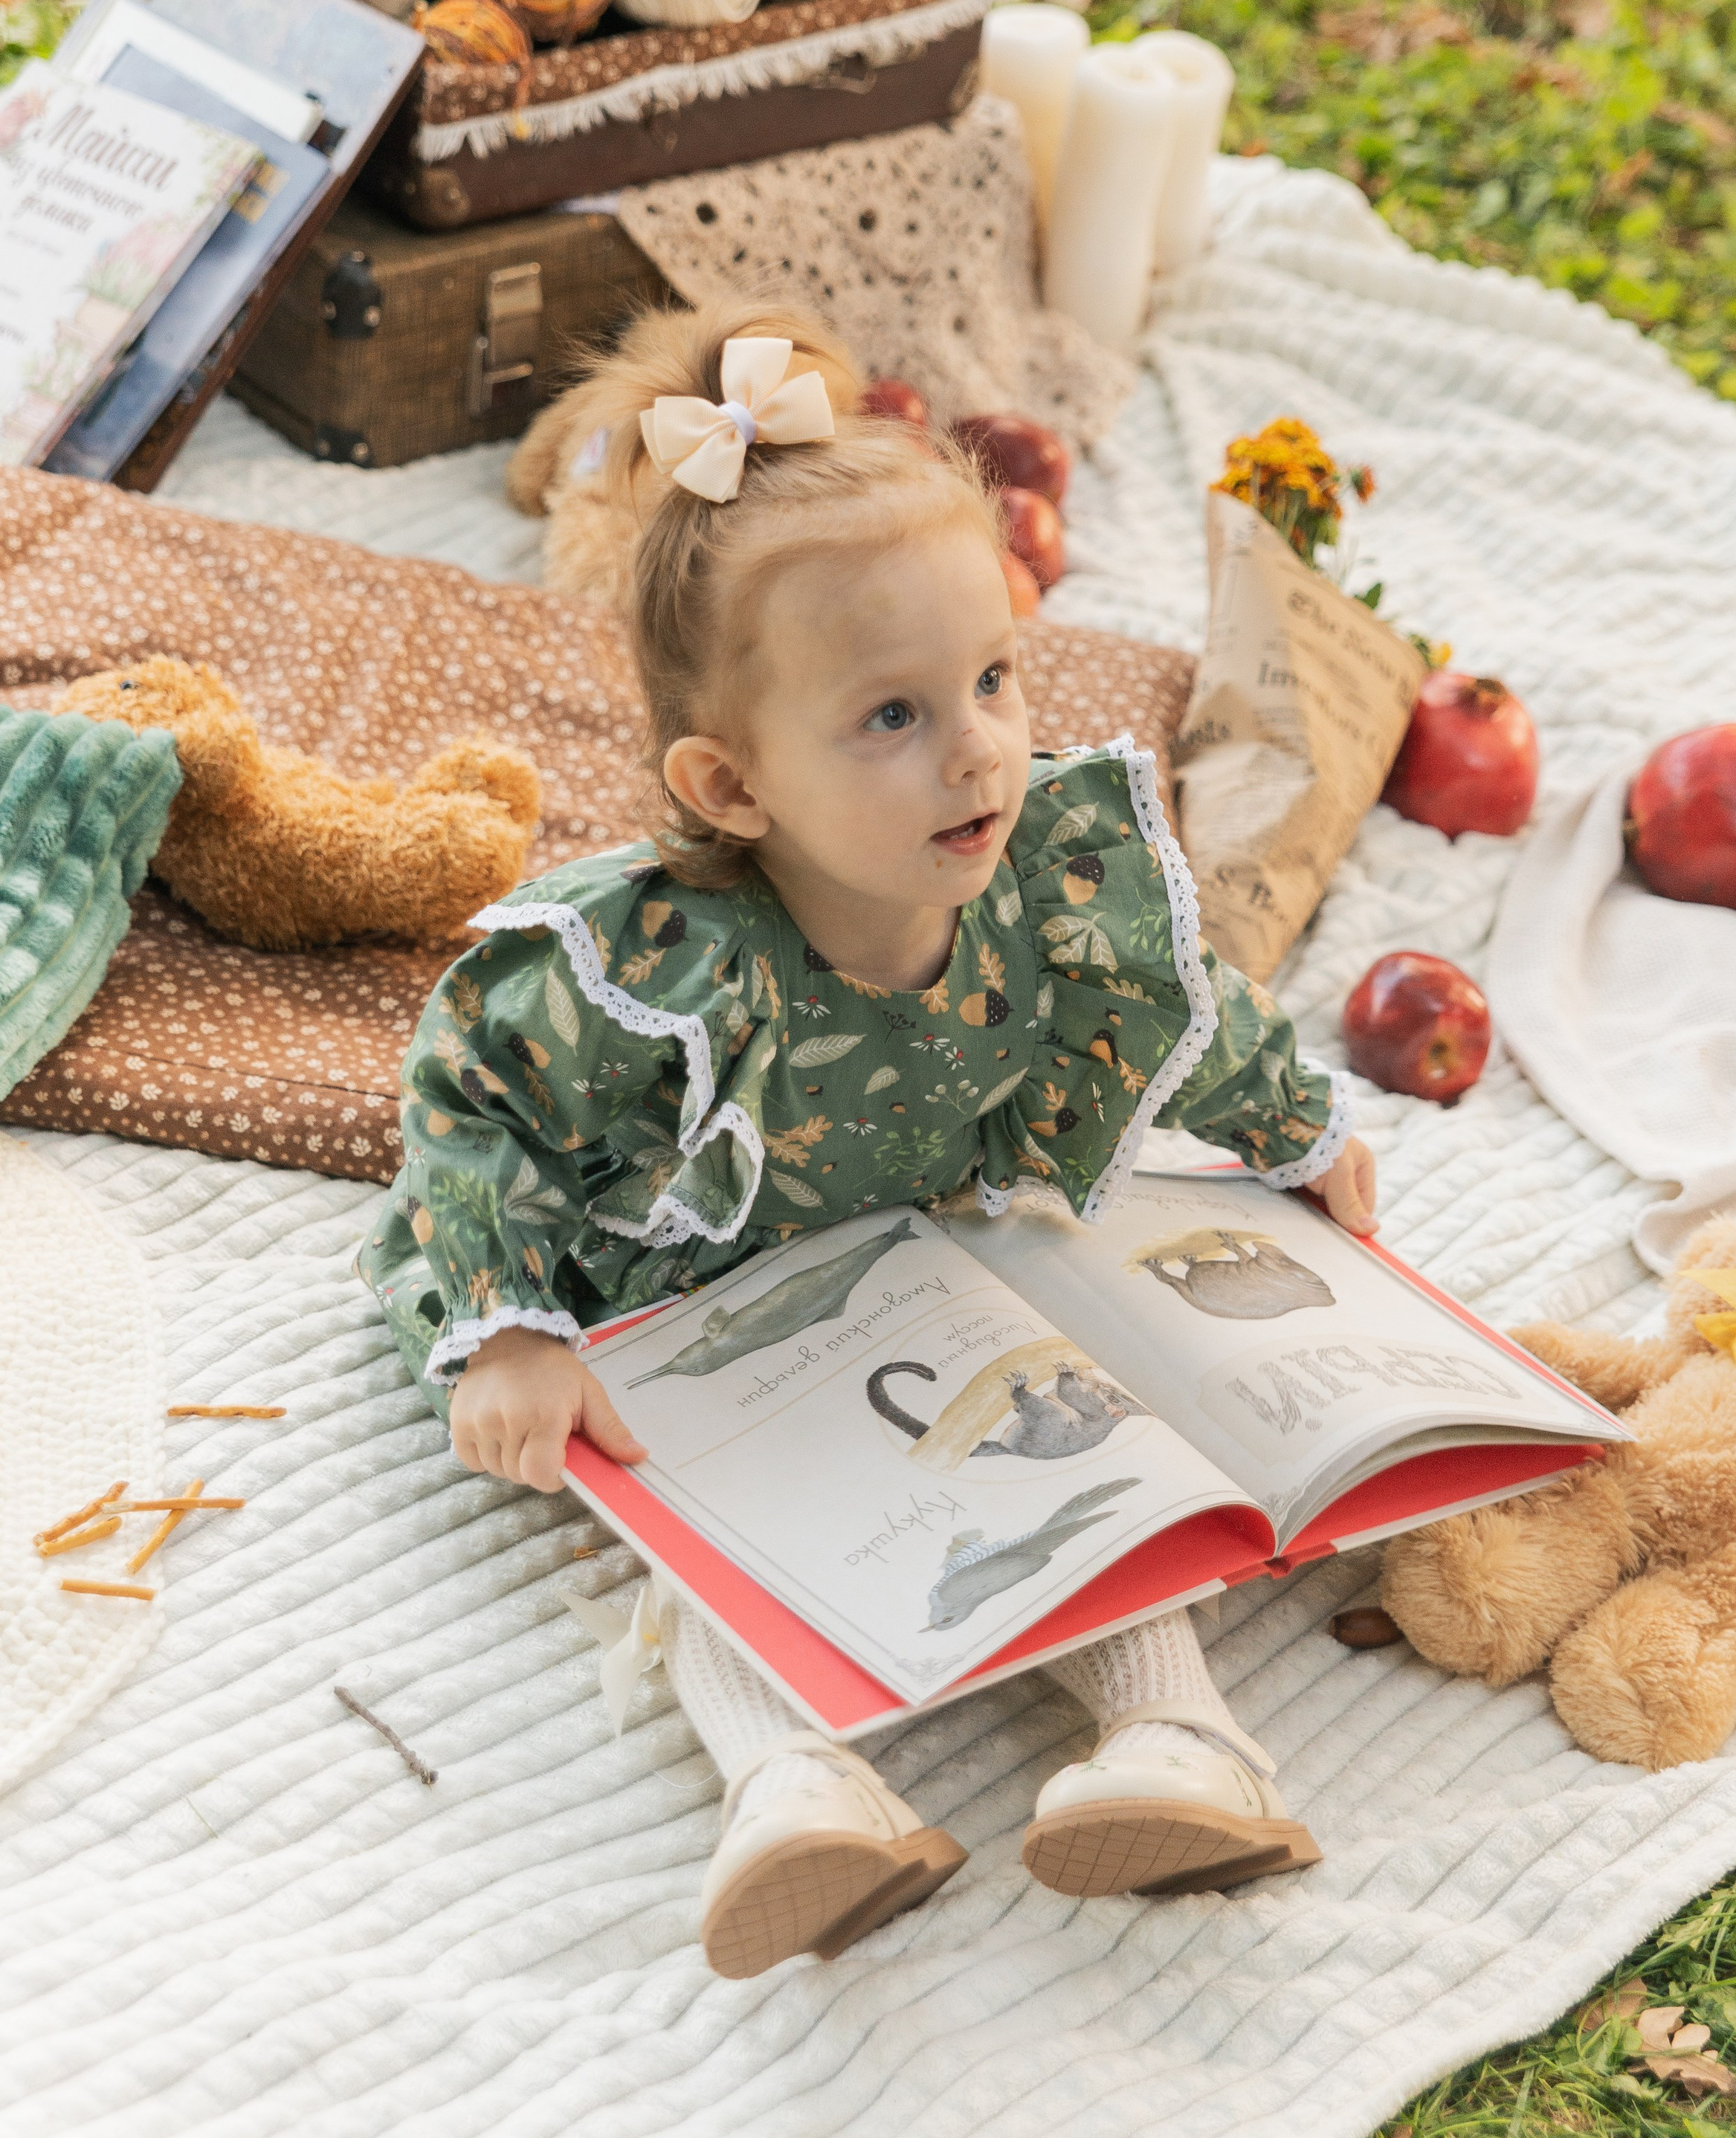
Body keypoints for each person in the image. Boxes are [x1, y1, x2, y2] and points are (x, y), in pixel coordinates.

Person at [359, 298, 1378, 1979]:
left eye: (989, 676)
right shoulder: (667, 966)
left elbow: (1171, 995)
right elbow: (469, 1097)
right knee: (698, 1499)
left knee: (1081, 1445)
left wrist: (1290, 1119)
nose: (976, 740)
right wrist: (517, 1328)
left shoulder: (1027, 889)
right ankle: (790, 1789)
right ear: (734, 785)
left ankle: (1177, 1739)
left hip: (914, 1261)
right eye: (890, 717)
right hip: (683, 1282)